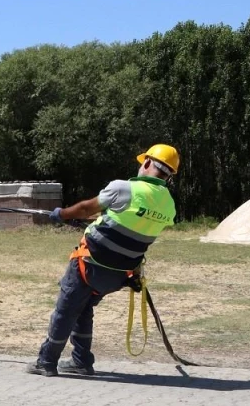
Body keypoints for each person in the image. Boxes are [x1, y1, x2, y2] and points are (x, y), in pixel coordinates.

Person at [26, 144, 179, 377]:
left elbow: (87, 207)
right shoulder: (168, 204)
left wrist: (62, 214)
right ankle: (81, 362)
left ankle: (46, 361)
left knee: (66, 309)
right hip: (117, 275)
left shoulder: (124, 188)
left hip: (89, 265)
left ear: (147, 163)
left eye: (142, 162)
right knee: (84, 308)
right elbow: (130, 223)